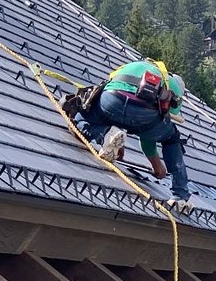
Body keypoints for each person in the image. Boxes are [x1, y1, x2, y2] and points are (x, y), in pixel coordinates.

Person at [62, 60, 190, 201]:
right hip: (144, 115)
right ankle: (180, 195)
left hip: (111, 101)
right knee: (171, 138)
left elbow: (118, 98)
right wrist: (157, 167)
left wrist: (116, 142)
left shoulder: (134, 65)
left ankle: (105, 135)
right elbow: (152, 132)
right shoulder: (172, 84)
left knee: (79, 118)